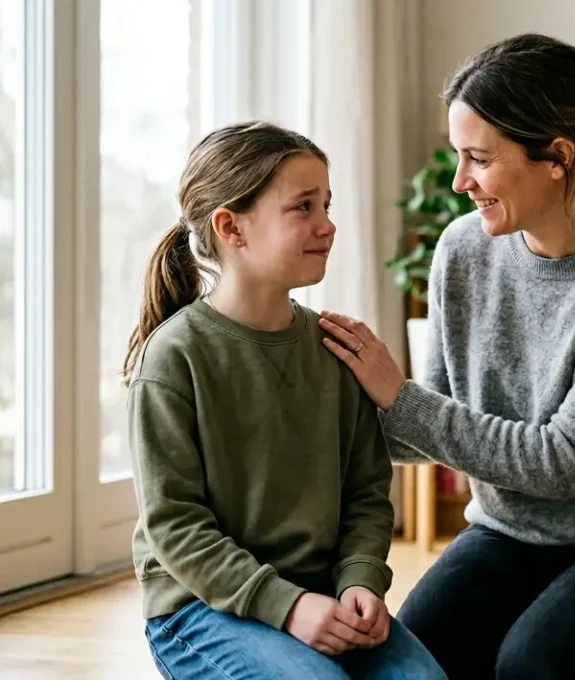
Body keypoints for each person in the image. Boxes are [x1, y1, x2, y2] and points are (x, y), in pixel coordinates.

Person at [317, 33, 575, 680]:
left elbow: (560, 464)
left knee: (533, 668)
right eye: (458, 156)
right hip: (509, 535)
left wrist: (397, 394)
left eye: (478, 158)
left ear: (558, 157)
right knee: (407, 669)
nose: (459, 183)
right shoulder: (464, 250)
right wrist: (323, 406)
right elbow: (441, 425)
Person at [122, 121, 446, 680]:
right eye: (304, 207)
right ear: (231, 228)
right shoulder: (175, 357)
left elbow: (366, 491)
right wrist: (288, 606)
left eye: (327, 203)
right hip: (200, 608)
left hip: (321, 594)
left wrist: (361, 579)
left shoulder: (335, 347)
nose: (328, 224)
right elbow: (174, 526)